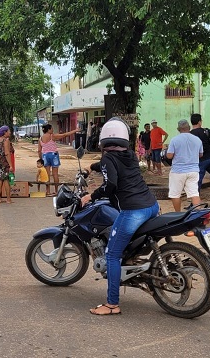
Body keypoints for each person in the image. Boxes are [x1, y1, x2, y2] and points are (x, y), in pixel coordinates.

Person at [79, 117, 159, 316]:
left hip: (133, 211)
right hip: (151, 205)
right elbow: (112, 165)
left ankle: (112, 304)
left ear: (104, 139)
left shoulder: (108, 158)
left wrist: (91, 195)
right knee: (123, 244)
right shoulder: (130, 154)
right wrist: (93, 167)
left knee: (112, 255)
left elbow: (110, 185)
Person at [166, 119, 203, 211]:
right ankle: (198, 216)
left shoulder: (175, 140)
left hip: (178, 171)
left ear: (178, 129)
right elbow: (201, 154)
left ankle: (178, 214)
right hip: (193, 171)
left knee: (175, 194)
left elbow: (169, 156)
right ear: (189, 128)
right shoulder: (197, 139)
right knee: (194, 193)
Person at [38, 123, 78, 195]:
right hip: (54, 155)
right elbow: (65, 135)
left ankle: (48, 191)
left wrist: (41, 159)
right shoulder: (52, 136)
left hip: (45, 156)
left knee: (47, 174)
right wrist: (75, 130)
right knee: (55, 174)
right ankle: (56, 191)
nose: (53, 130)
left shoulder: (40, 138)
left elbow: (39, 150)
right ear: (49, 129)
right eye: (52, 128)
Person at [0, 126, 15, 204]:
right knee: (7, 179)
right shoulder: (6, 140)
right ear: (5, 132)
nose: (10, 132)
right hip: (5, 162)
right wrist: (10, 165)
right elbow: (7, 153)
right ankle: (8, 199)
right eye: (9, 131)